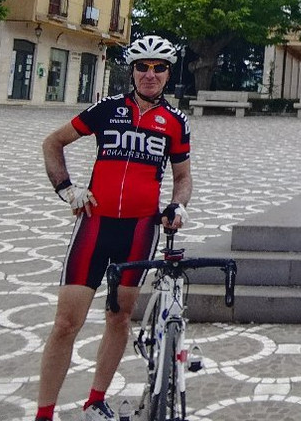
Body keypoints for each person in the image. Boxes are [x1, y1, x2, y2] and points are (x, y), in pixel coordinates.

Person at [36, 35, 192, 421]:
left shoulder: (175, 122)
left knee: (119, 317)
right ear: (132, 71)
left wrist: (178, 205)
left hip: (140, 230)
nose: (150, 74)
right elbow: (53, 143)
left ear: (168, 73)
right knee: (65, 323)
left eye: (158, 67)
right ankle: (44, 414)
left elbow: (183, 177)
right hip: (94, 225)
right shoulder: (107, 109)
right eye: (142, 67)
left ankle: (95, 400)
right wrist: (67, 189)